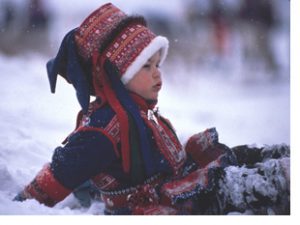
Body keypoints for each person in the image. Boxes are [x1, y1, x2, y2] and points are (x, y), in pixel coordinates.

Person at [14, 3, 289, 215]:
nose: (157, 74)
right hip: (158, 201)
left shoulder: (136, 109)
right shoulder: (102, 130)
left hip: (177, 181)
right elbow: (65, 169)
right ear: (117, 76)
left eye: (157, 64)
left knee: (241, 155)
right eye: (145, 67)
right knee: (253, 184)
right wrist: (21, 203)